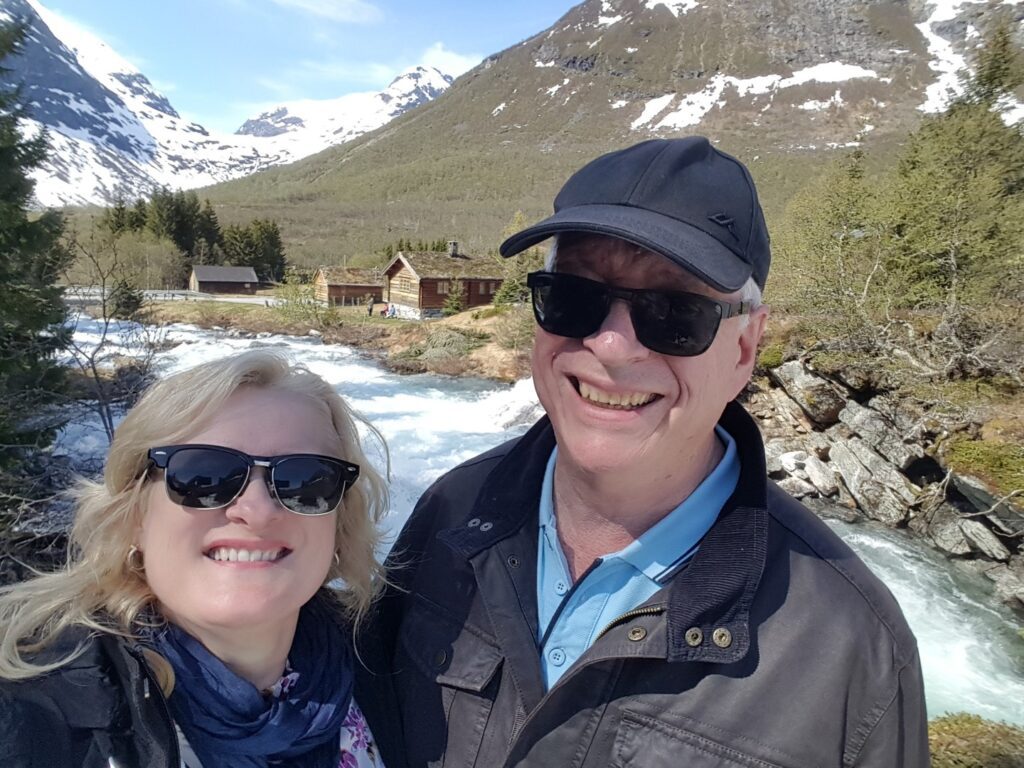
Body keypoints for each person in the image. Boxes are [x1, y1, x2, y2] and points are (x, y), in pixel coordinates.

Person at [355, 137, 929, 767]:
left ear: (744, 348)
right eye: (575, 295)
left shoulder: (855, 645)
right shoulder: (450, 513)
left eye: (673, 312)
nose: (612, 346)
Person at [0, 350, 389, 768]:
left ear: (337, 524)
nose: (256, 510)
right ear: (134, 517)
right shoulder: (31, 715)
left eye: (304, 481)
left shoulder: (391, 670)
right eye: (204, 475)